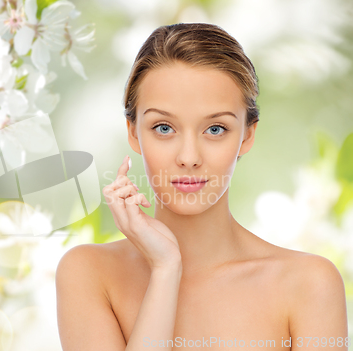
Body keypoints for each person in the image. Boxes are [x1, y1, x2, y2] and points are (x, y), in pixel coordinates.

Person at [55, 23, 348, 351]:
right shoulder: (90, 274)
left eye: (215, 129)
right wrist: (166, 269)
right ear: (134, 132)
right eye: (164, 127)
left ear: (247, 135)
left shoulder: (309, 284)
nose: (189, 157)